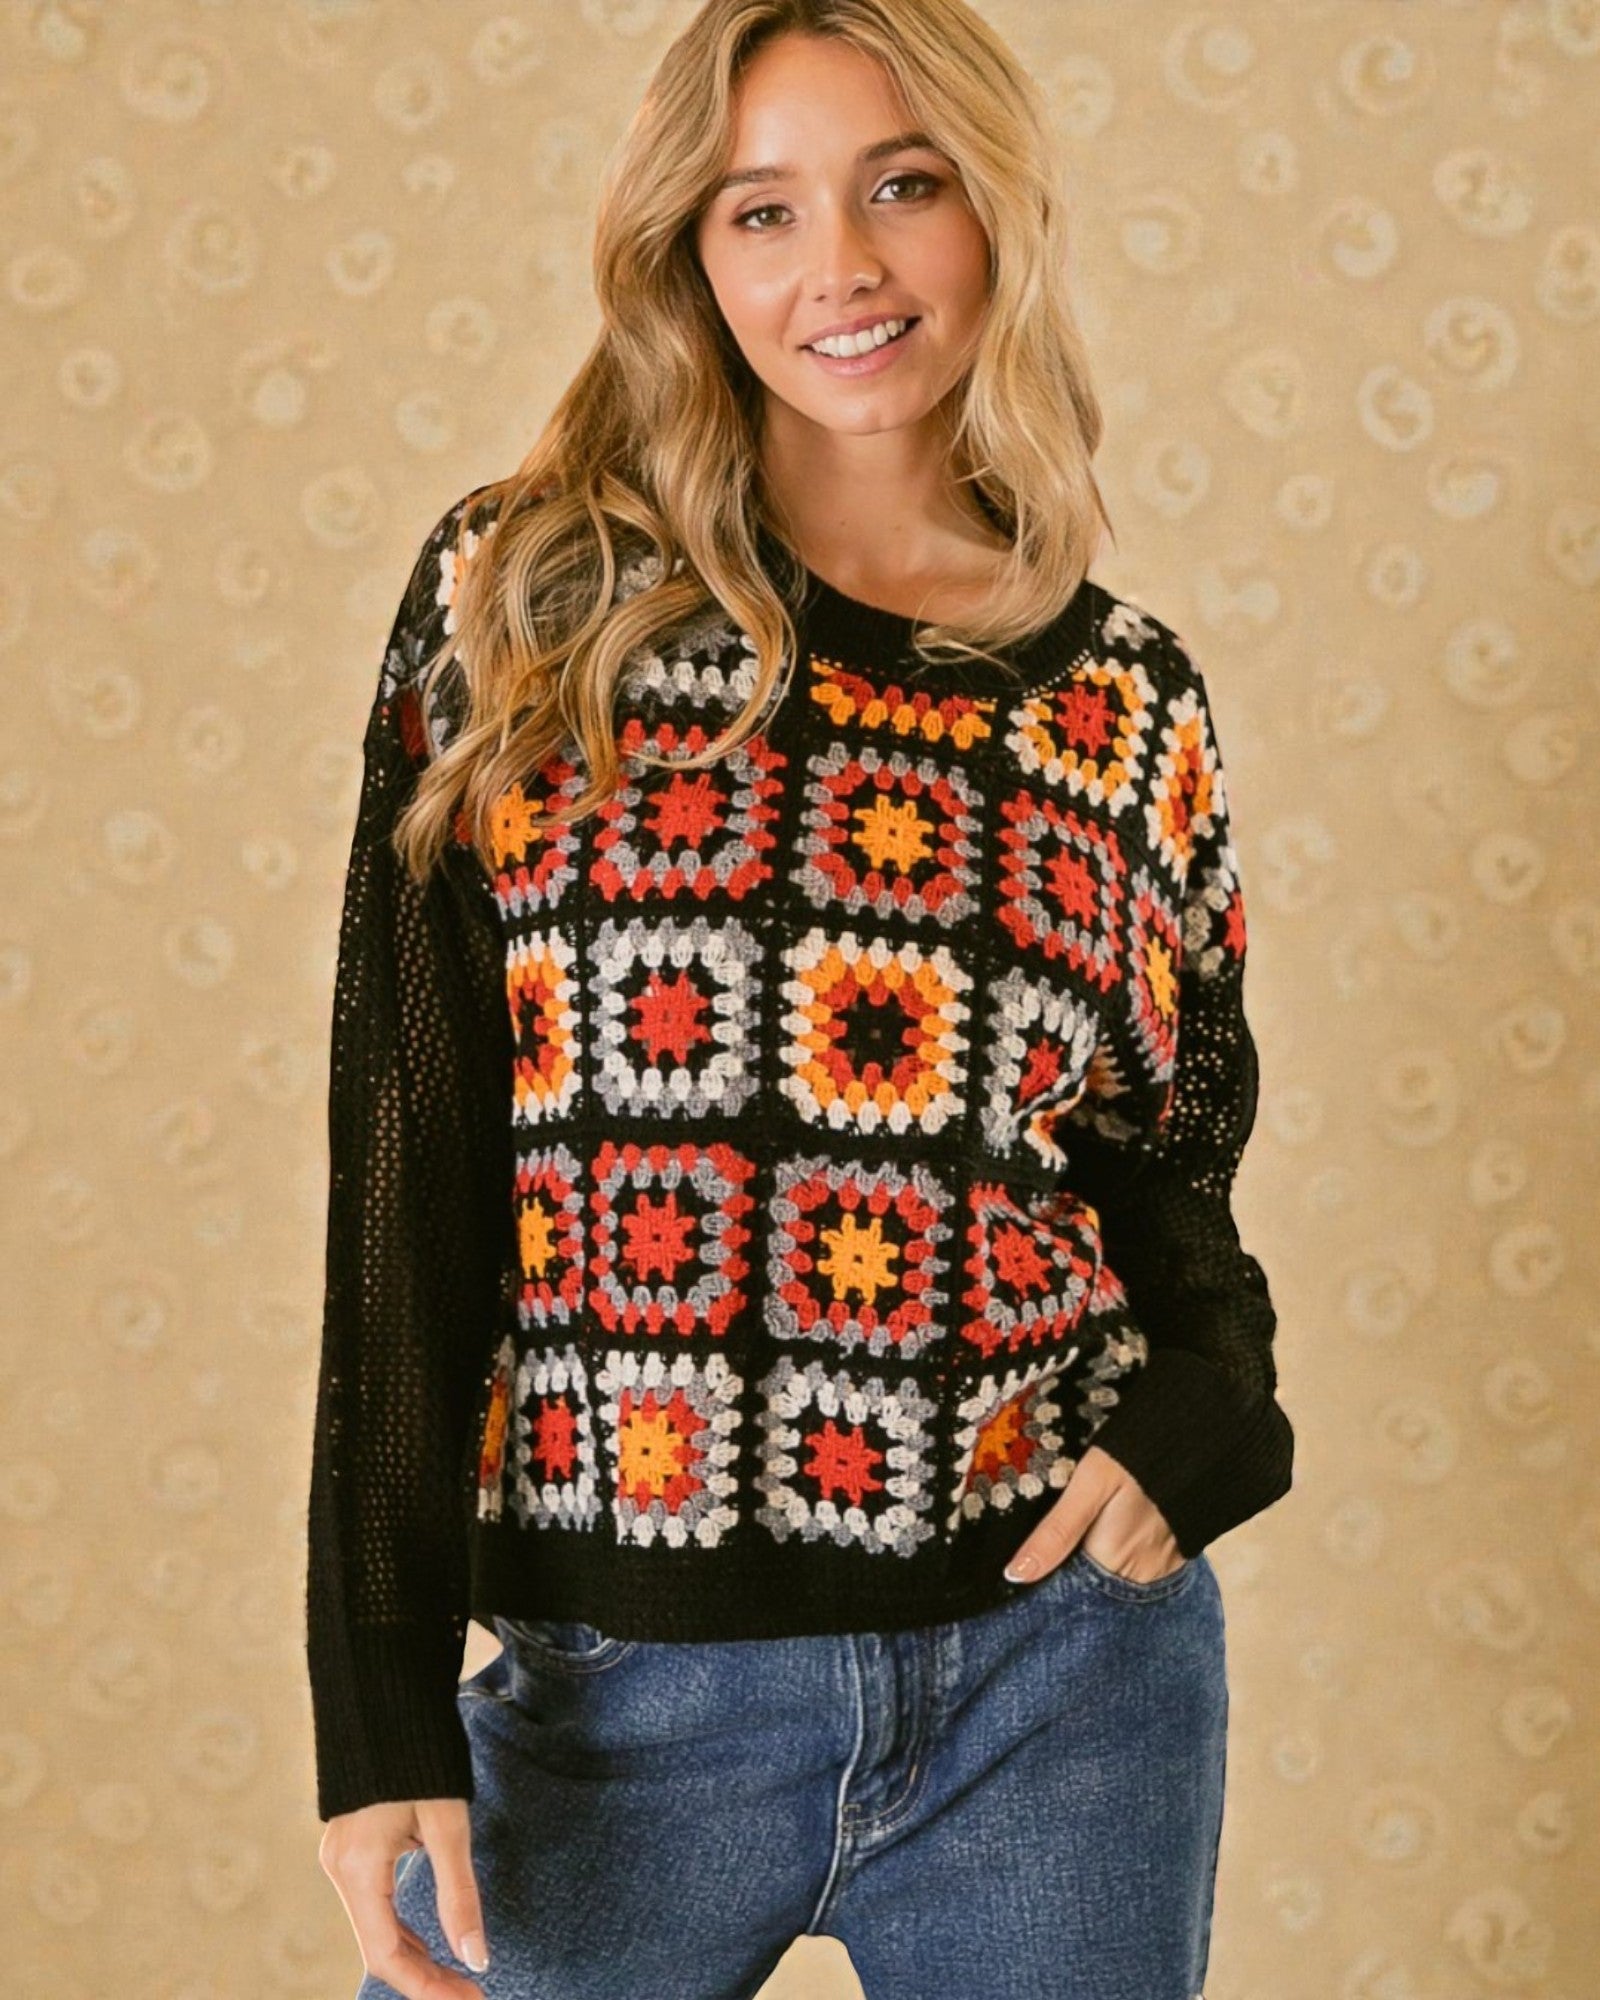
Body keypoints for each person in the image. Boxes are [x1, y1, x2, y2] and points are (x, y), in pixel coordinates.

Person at [307, 4, 1295, 1997]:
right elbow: (408, 1176)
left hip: (1062, 1677)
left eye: (897, 187)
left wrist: (1216, 1403)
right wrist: (378, 1697)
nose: (836, 267)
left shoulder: (1120, 697)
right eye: (760, 210)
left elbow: (1164, 1162)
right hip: (618, 1699)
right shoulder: (525, 602)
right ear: (689, 251)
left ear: (992, 212)